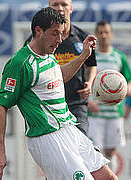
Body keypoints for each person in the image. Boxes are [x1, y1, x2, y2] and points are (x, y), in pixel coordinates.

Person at [0, 7, 117, 180]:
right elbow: (1, 106)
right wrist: (0, 152)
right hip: (48, 137)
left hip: (69, 128)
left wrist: (83, 56)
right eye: (55, 33)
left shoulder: (49, 53)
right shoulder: (20, 63)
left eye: (62, 34)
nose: (60, 40)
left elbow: (59, 75)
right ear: (38, 31)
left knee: (109, 178)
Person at [24, 0, 97, 136]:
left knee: (80, 145)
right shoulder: (35, 40)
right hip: (48, 106)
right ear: (49, 7)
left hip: (76, 103)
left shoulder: (82, 37)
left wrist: (89, 84)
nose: (60, 8)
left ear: (71, 8)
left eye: (64, 4)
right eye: (55, 4)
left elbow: (91, 65)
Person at [87, 20, 131, 165]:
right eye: (100, 32)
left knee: (111, 152)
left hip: (114, 113)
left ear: (111, 34)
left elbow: (130, 83)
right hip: (95, 113)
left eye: (106, 32)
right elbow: (84, 81)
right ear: (96, 34)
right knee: (95, 152)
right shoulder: (90, 56)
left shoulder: (119, 57)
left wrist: (121, 92)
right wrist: (88, 102)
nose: (103, 35)